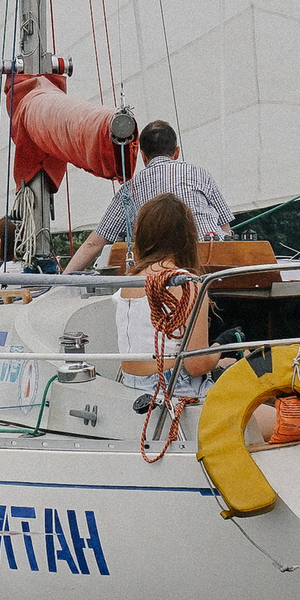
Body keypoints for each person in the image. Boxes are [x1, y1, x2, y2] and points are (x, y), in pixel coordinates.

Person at [64, 120, 232, 273]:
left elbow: (94, 244)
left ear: (143, 156)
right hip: (215, 264)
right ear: (177, 152)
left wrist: (61, 281)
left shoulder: (130, 190)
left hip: (162, 269)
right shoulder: (200, 174)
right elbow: (225, 228)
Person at [113, 193, 220, 397]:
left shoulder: (127, 283)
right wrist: (221, 347)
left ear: (143, 236)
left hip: (133, 386)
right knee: (283, 420)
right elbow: (196, 365)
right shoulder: (187, 285)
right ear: (187, 238)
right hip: (177, 388)